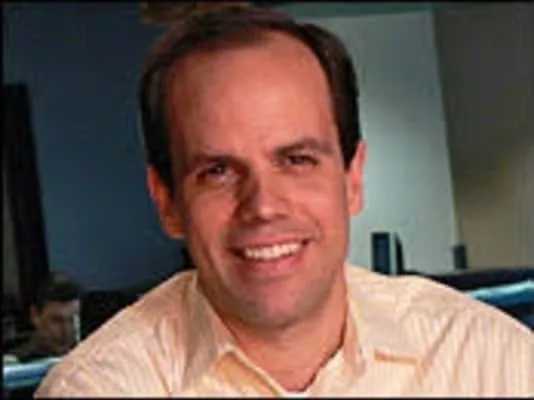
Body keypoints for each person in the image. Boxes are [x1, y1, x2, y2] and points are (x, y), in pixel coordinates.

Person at [36, 6, 533, 397]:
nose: (264, 206)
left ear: (352, 178)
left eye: (296, 160)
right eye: (218, 171)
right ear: (167, 202)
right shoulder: (99, 389)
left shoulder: (489, 360)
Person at [6, 272, 82, 363]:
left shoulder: (87, 356)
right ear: (35, 316)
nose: (66, 331)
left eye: (72, 320)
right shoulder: (14, 364)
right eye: (56, 321)